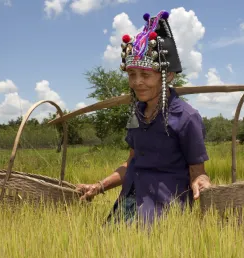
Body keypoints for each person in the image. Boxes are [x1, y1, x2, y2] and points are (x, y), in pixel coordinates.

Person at [76, 10, 211, 224]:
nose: (137, 82)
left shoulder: (187, 117)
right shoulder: (137, 112)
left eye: (146, 75)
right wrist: (99, 186)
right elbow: (132, 162)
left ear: (169, 76)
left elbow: (197, 172)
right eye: (132, 74)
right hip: (128, 207)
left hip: (164, 214)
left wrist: (202, 182)